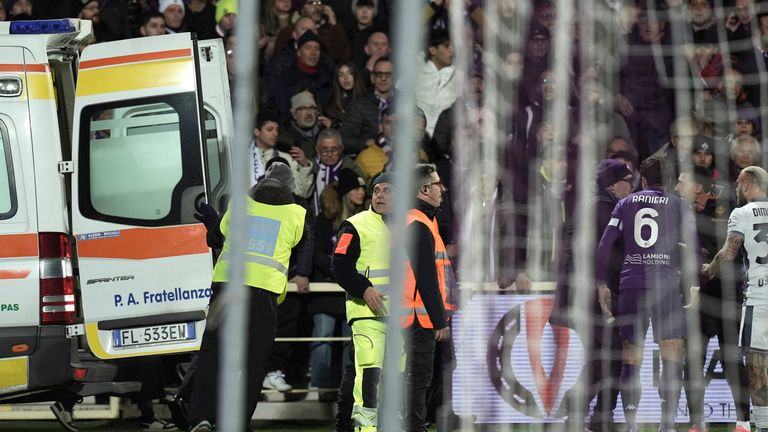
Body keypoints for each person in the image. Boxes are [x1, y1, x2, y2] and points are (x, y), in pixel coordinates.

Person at [187, 162, 309, 432]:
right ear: (290, 188)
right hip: (263, 296)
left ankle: (201, 417)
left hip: (226, 289)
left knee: (213, 353)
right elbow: (300, 242)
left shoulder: (240, 204)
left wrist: (214, 221)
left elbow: (217, 237)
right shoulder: (296, 214)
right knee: (254, 362)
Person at [596, 157, 700, 432]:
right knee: (672, 353)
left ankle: (630, 425)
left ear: (643, 180)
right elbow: (693, 247)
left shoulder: (625, 203)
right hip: (665, 285)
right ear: (668, 182)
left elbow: (605, 246)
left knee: (631, 357)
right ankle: (667, 425)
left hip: (632, 285)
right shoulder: (680, 204)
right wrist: (693, 285)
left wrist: (601, 285)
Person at [554, 159, 634, 431]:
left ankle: (599, 418)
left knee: (607, 358)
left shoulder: (594, 204)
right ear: (614, 183)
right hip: (597, 298)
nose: (631, 187)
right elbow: (605, 256)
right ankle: (576, 410)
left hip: (590, 296)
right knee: (605, 359)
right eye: (628, 181)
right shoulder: (602, 208)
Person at [676, 167, 751, 432]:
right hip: (698, 295)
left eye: (682, 181)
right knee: (692, 361)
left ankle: (743, 422)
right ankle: (697, 422)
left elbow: (723, 251)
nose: (677, 187)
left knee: (732, 359)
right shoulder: (682, 212)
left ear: (698, 187)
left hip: (728, 294)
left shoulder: (727, 208)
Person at [702, 166, 768, 432]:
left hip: (759, 298)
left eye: (740, 184)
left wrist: (707, 270)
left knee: (757, 367)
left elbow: (728, 254)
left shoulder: (741, 213)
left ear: (747, 184)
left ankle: (762, 426)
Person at [332, 173, 392, 432]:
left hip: (402, 316)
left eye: (387, 190)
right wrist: (364, 289)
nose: (379, 195)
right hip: (367, 314)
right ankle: (360, 428)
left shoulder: (411, 224)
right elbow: (340, 266)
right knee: (370, 375)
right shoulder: (355, 225)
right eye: (376, 190)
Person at [402, 164, 455, 432]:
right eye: (437, 184)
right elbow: (425, 278)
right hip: (418, 319)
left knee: (424, 377)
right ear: (424, 189)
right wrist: (438, 321)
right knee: (419, 379)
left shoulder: (423, 221)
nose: (442, 189)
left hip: (418, 316)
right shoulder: (418, 223)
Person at [310, 168, 367, 401]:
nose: (361, 192)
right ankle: (321, 389)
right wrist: (341, 266)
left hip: (351, 293)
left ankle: (348, 391)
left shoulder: (366, 219)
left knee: (349, 344)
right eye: (356, 188)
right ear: (345, 193)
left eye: (363, 188)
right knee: (322, 338)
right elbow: (315, 254)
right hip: (326, 292)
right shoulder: (325, 220)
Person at [252, 108, 315, 199]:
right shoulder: (242, 158)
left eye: (277, 130)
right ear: (257, 131)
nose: (275, 134)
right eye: (270, 129)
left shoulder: (287, 159)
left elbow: (302, 193)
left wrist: (304, 166)